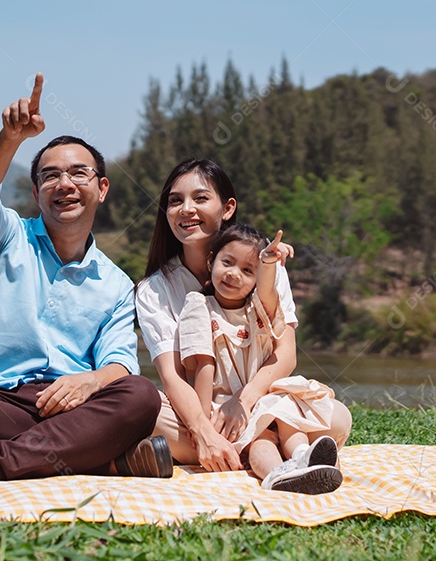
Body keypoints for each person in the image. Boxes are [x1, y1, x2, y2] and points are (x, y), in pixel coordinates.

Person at [0, 73, 170, 481]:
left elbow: (120, 361)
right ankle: (103, 461)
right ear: (37, 193)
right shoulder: (4, 237)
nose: (65, 184)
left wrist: (90, 381)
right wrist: (10, 139)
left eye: (79, 173)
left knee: (141, 395)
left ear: (102, 188)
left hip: (73, 408)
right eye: (50, 176)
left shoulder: (115, 284)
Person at [136, 158, 352, 480]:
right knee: (146, 411)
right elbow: (173, 376)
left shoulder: (267, 267)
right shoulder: (155, 289)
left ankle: (255, 448)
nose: (186, 209)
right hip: (199, 413)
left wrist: (243, 401)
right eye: (175, 201)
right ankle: (264, 450)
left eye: (200, 198)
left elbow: (286, 355)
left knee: (337, 417)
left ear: (227, 208)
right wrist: (203, 429)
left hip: (261, 401)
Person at [179, 223, 342, 493]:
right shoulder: (199, 305)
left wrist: (268, 262)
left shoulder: (258, 309)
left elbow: (267, 293)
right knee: (261, 441)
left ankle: (302, 457)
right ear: (211, 261)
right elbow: (204, 364)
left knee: (286, 413)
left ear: (256, 279)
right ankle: (276, 474)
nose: (234, 274)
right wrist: (204, 422)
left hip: (261, 399)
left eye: (247, 271)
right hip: (226, 408)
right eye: (227, 263)